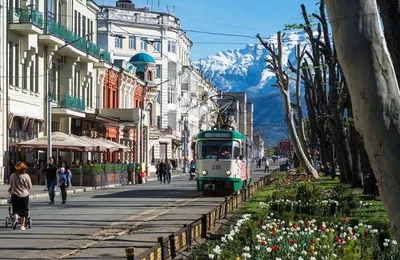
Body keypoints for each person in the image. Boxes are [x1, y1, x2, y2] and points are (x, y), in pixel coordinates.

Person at [9, 161, 32, 230]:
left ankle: (15, 220)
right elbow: (29, 186)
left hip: (14, 194)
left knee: (15, 210)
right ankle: (22, 225)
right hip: (24, 195)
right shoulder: (26, 176)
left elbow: (11, 185)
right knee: (24, 211)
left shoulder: (12, 175)